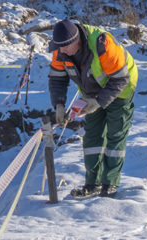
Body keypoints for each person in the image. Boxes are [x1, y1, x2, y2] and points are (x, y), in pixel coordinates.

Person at [47, 19, 138, 198]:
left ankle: (109, 183)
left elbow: (120, 79)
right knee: (92, 137)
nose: (62, 51)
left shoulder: (102, 44)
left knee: (115, 134)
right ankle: (92, 184)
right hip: (92, 92)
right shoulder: (60, 49)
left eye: (65, 47)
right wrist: (58, 104)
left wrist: (100, 102)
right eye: (59, 47)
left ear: (76, 40)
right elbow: (57, 79)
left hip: (121, 89)